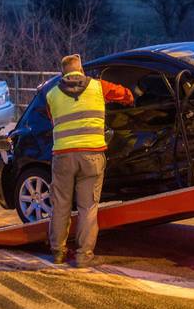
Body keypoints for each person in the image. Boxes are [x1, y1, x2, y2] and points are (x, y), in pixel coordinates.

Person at [46, 54, 134, 267]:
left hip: (63, 157)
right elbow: (127, 95)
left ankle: (58, 252)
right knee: (88, 207)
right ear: (81, 70)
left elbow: (52, 119)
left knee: (61, 206)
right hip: (92, 156)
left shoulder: (51, 95)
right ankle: (83, 256)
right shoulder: (99, 86)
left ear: (63, 73)